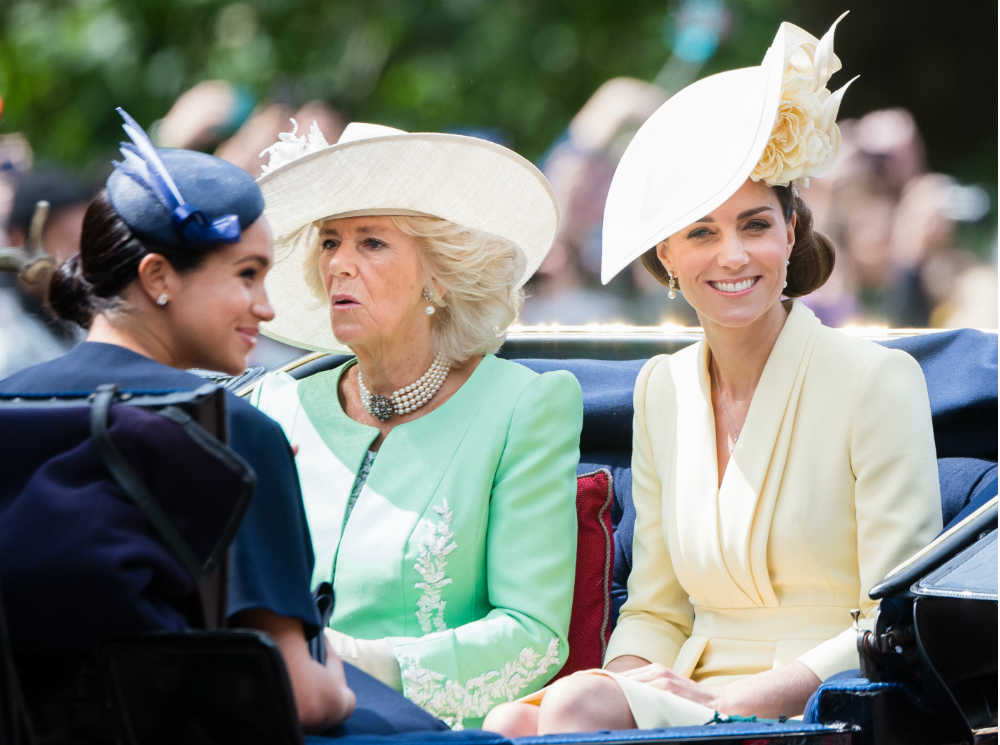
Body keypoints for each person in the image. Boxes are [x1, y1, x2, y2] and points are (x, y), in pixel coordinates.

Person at [485, 15, 942, 735]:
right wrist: (624, 682)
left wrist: (724, 702)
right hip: (686, 690)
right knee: (509, 721)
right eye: (701, 231)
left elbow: (893, 617)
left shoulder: (878, 379)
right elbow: (656, 609)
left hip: (822, 704)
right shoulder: (660, 389)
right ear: (666, 256)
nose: (732, 255)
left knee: (569, 707)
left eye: (755, 224)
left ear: (791, 232)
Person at [0, 111, 354, 732]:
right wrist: (341, 689)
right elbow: (297, 697)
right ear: (158, 277)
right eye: (247, 275)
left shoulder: (10, 404)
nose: (266, 308)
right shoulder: (230, 430)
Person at [248, 121, 583, 729]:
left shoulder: (524, 407)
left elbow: (533, 636)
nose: (339, 264)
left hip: (421, 730)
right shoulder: (278, 405)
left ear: (439, 272)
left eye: (372, 242)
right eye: (329, 241)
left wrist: (362, 666)